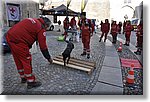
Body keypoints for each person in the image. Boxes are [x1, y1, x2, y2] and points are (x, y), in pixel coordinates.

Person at [6, 17, 53, 89]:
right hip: (20, 41)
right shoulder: (41, 28)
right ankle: (31, 81)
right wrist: (48, 58)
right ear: (46, 25)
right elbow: (43, 47)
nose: (46, 30)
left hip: (10, 37)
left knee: (18, 59)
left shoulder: (33, 20)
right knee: (26, 60)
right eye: (47, 28)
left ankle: (23, 77)